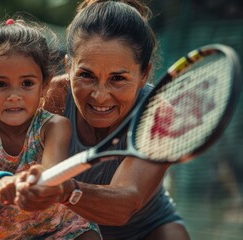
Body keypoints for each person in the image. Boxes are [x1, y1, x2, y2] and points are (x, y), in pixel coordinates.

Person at [13, 1, 191, 240]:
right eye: (86, 75)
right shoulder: (53, 97)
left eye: (118, 78)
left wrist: (67, 191)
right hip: (68, 231)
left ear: (144, 74)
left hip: (147, 229)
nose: (100, 95)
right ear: (68, 66)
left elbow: (125, 202)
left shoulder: (159, 114)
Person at [0, 17, 101, 240]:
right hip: (2, 234)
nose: (14, 95)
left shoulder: (55, 126)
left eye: (27, 83)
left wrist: (39, 180)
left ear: (45, 84)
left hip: (61, 229)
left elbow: (51, 171)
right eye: (0, 84)